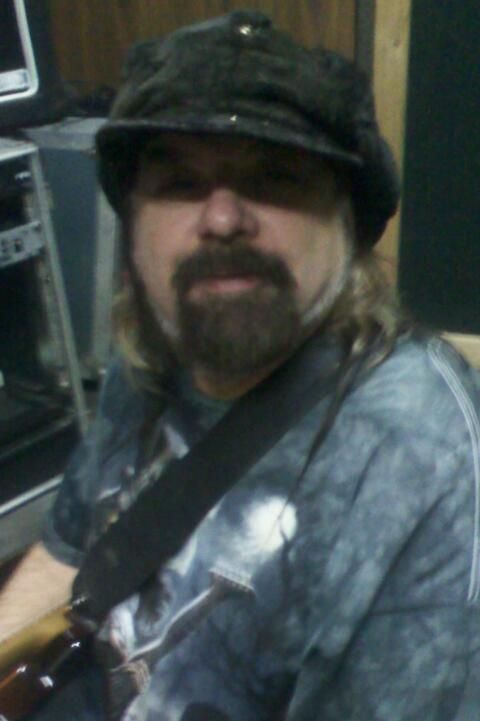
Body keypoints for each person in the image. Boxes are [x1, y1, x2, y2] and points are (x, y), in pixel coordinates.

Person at [1, 9, 480, 721]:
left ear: (347, 225)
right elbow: (71, 554)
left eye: (275, 177)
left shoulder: (418, 460)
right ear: (134, 224)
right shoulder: (155, 348)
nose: (223, 219)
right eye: (179, 181)